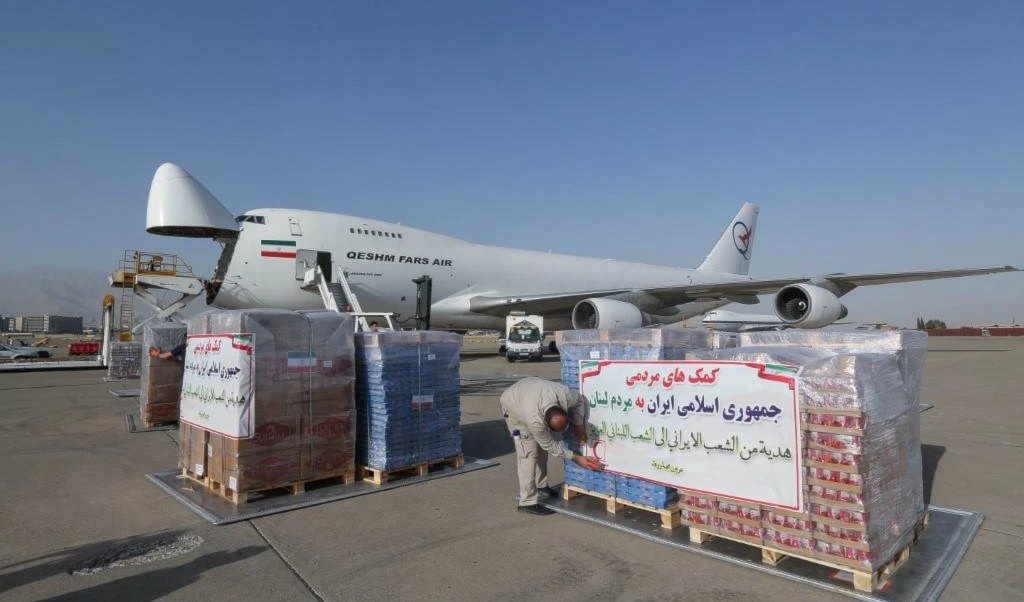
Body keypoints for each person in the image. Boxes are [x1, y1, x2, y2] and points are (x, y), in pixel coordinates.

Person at [499, 376, 602, 516]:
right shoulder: (535, 421)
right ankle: (527, 501)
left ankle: (541, 486)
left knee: (540, 450)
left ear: (563, 410)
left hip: (530, 389)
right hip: (513, 405)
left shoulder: (565, 395)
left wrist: (579, 425)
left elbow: (580, 401)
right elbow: (550, 445)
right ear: (545, 424)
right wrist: (576, 457)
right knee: (528, 454)